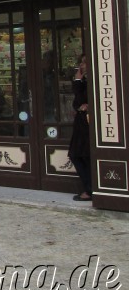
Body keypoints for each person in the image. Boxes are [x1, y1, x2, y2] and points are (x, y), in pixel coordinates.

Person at [69, 53, 91, 201]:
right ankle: (90, 188)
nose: (81, 66)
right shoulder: (86, 82)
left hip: (86, 124)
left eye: (83, 63)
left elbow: (80, 100)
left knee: (81, 155)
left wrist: (77, 80)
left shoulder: (89, 82)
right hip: (82, 123)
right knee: (79, 155)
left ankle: (89, 190)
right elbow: (78, 104)